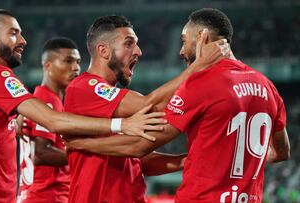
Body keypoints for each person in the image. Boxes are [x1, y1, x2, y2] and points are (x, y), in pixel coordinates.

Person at [66, 8, 291, 203]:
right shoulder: (267, 86)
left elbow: (137, 152)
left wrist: (82, 144)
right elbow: (281, 152)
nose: (182, 51)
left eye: (184, 41)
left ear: (202, 38)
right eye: (129, 44)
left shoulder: (204, 84)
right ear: (103, 50)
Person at [0, 9, 165, 203]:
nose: (23, 40)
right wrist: (121, 125)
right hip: (3, 197)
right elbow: (52, 122)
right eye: (14, 33)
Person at [62, 15, 228, 203]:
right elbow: (149, 105)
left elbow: (139, 159)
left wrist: (188, 159)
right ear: (104, 50)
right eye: (129, 44)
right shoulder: (84, 87)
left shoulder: (111, 102)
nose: (139, 51)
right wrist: (197, 67)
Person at [17, 37, 81, 202]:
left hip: (36, 194)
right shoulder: (46, 100)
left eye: (77, 62)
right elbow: (42, 153)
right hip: (47, 195)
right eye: (68, 61)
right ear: (47, 66)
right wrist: (84, 156)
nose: (76, 68)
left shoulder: (42, 99)